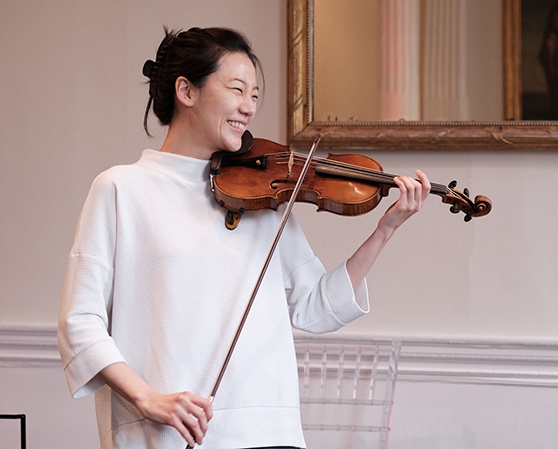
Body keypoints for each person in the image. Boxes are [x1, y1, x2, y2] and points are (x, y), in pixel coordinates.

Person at [57, 27, 430, 449]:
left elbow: (316, 307)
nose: (249, 108)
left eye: (255, 95)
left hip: (270, 431)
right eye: (237, 89)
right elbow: (80, 323)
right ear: (186, 90)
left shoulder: (263, 196)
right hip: (164, 433)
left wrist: (385, 230)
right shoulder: (121, 189)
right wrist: (149, 400)